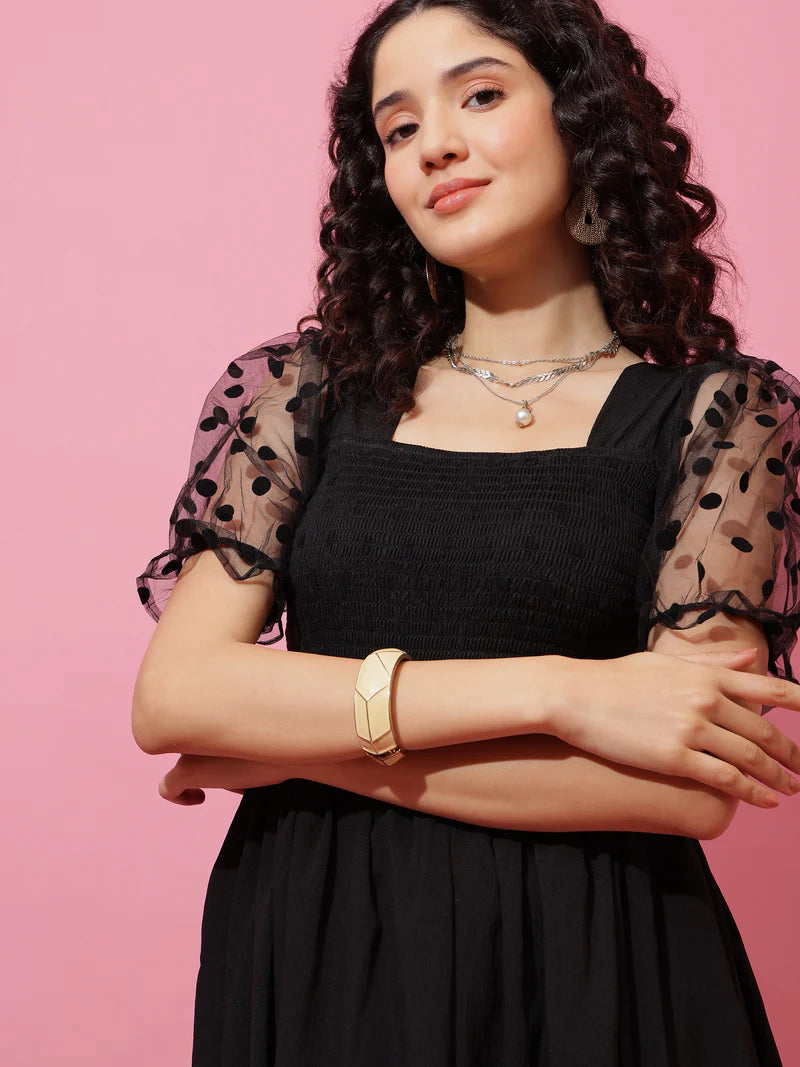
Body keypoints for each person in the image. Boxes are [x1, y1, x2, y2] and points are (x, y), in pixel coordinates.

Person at [132, 1, 800, 1063]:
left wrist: (303, 751)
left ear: (580, 117)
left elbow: (684, 787)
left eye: (478, 94)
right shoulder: (297, 394)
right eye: (396, 129)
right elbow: (175, 696)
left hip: (603, 966)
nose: (432, 141)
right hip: (318, 959)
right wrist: (564, 689)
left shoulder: (724, 413)